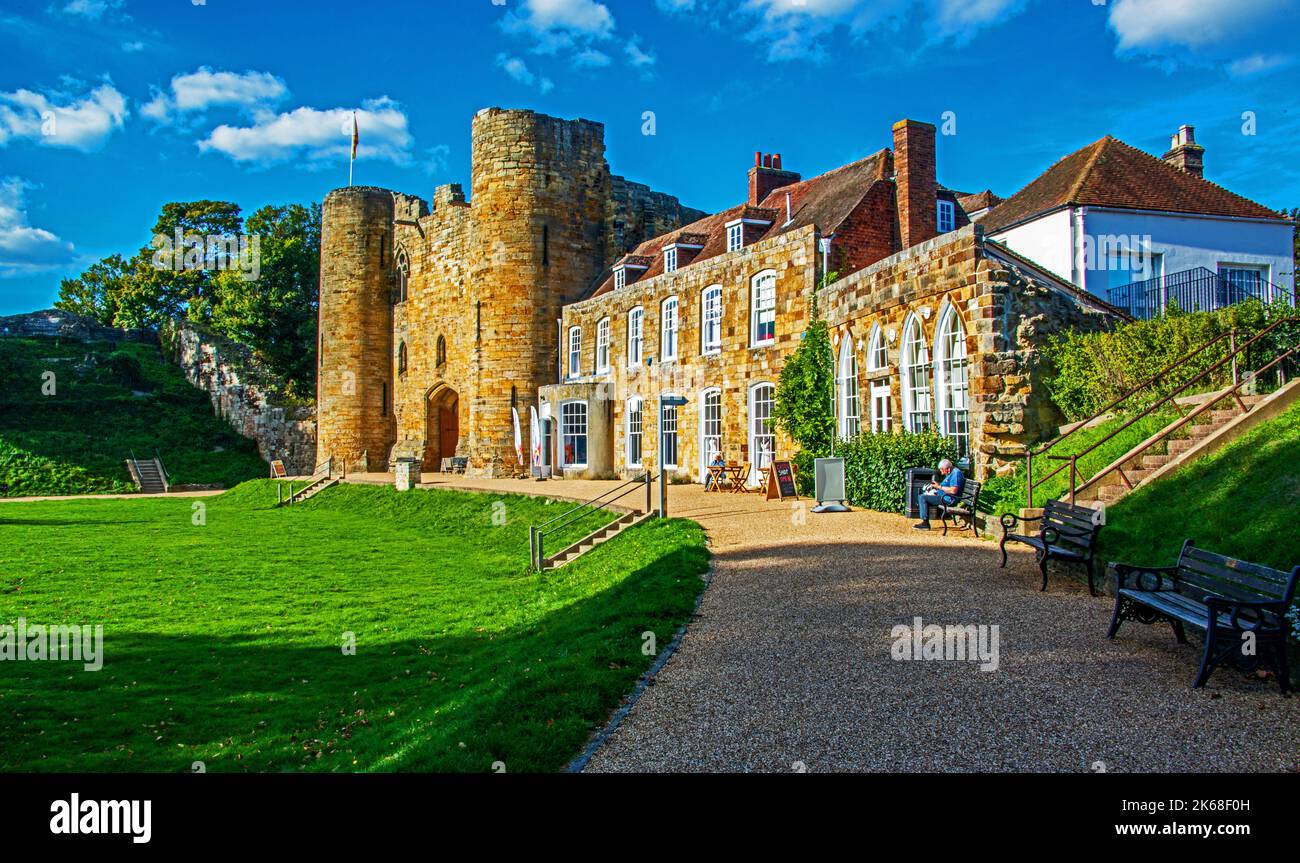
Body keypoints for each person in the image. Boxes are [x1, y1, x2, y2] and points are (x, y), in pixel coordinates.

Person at [914, 459, 965, 530]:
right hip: (945, 496)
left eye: (942, 470)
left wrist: (939, 487)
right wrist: (936, 489)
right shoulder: (951, 472)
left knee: (923, 498)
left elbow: (953, 490)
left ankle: (925, 523)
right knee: (924, 495)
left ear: (948, 468)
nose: (941, 472)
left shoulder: (956, 473)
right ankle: (924, 522)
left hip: (949, 499)